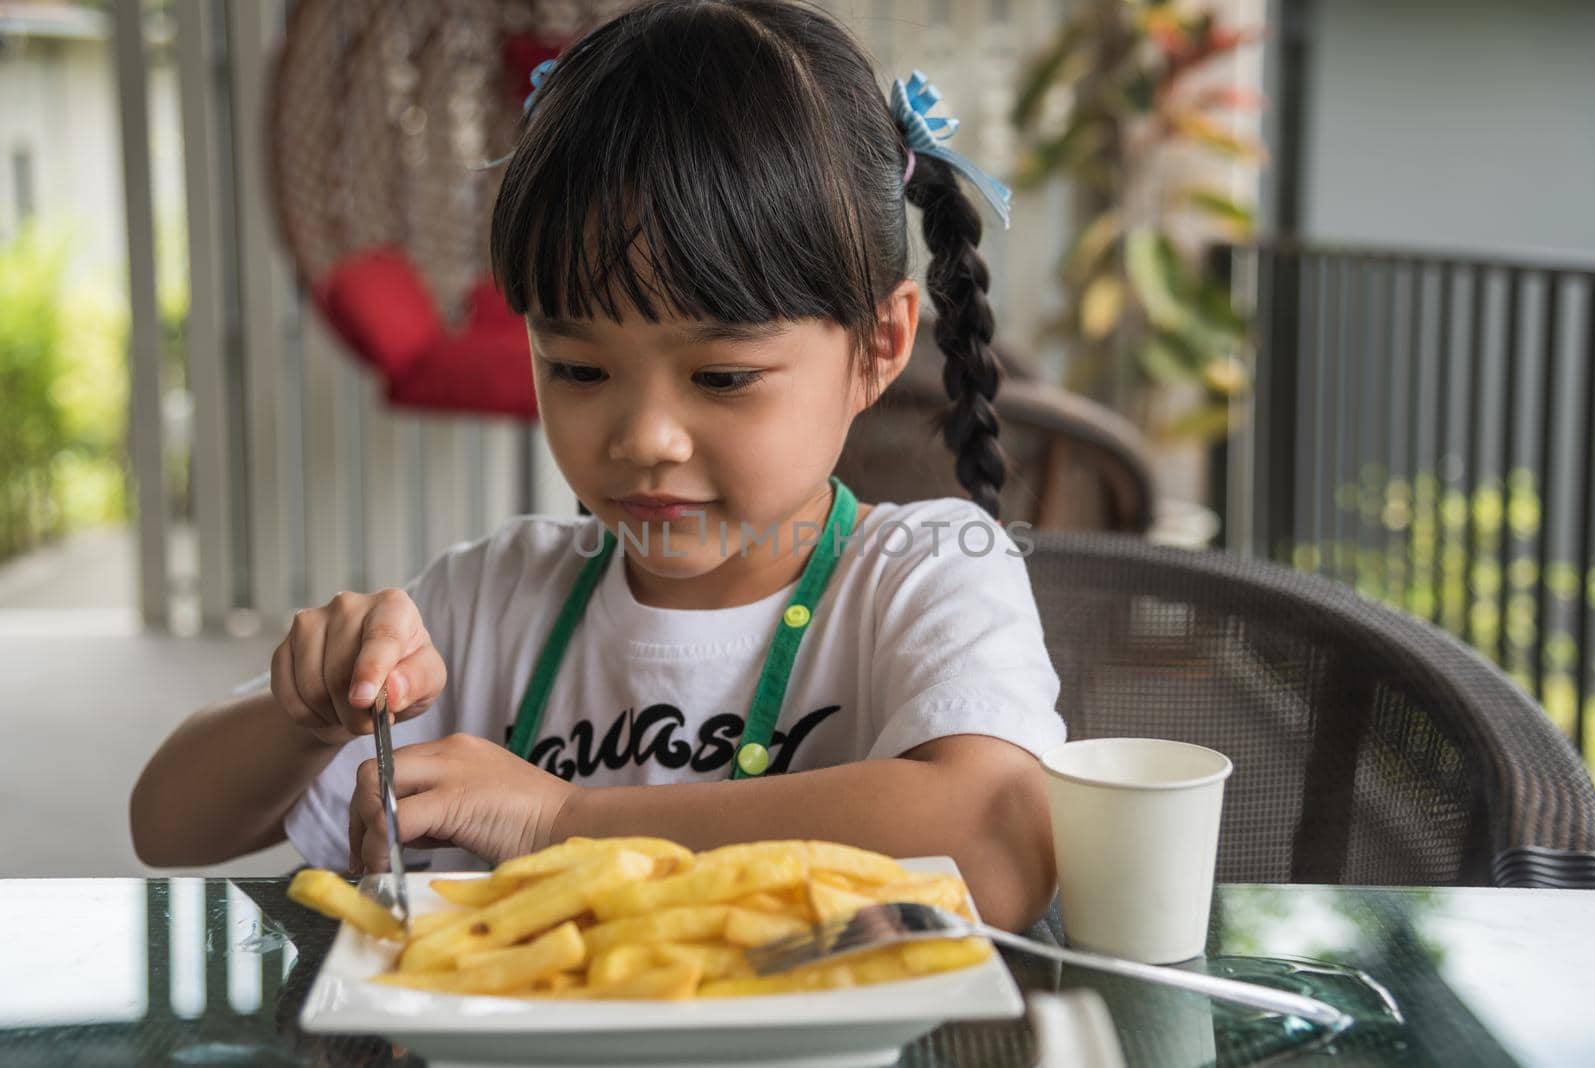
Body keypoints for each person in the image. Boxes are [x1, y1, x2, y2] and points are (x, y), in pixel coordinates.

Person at [131, 0, 1064, 932]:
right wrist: (308, 714)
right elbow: (166, 826)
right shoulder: (488, 602)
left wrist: (561, 819)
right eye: (577, 368)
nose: (645, 436)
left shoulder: (927, 571)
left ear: (880, 343)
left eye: (723, 375)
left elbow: (996, 842)